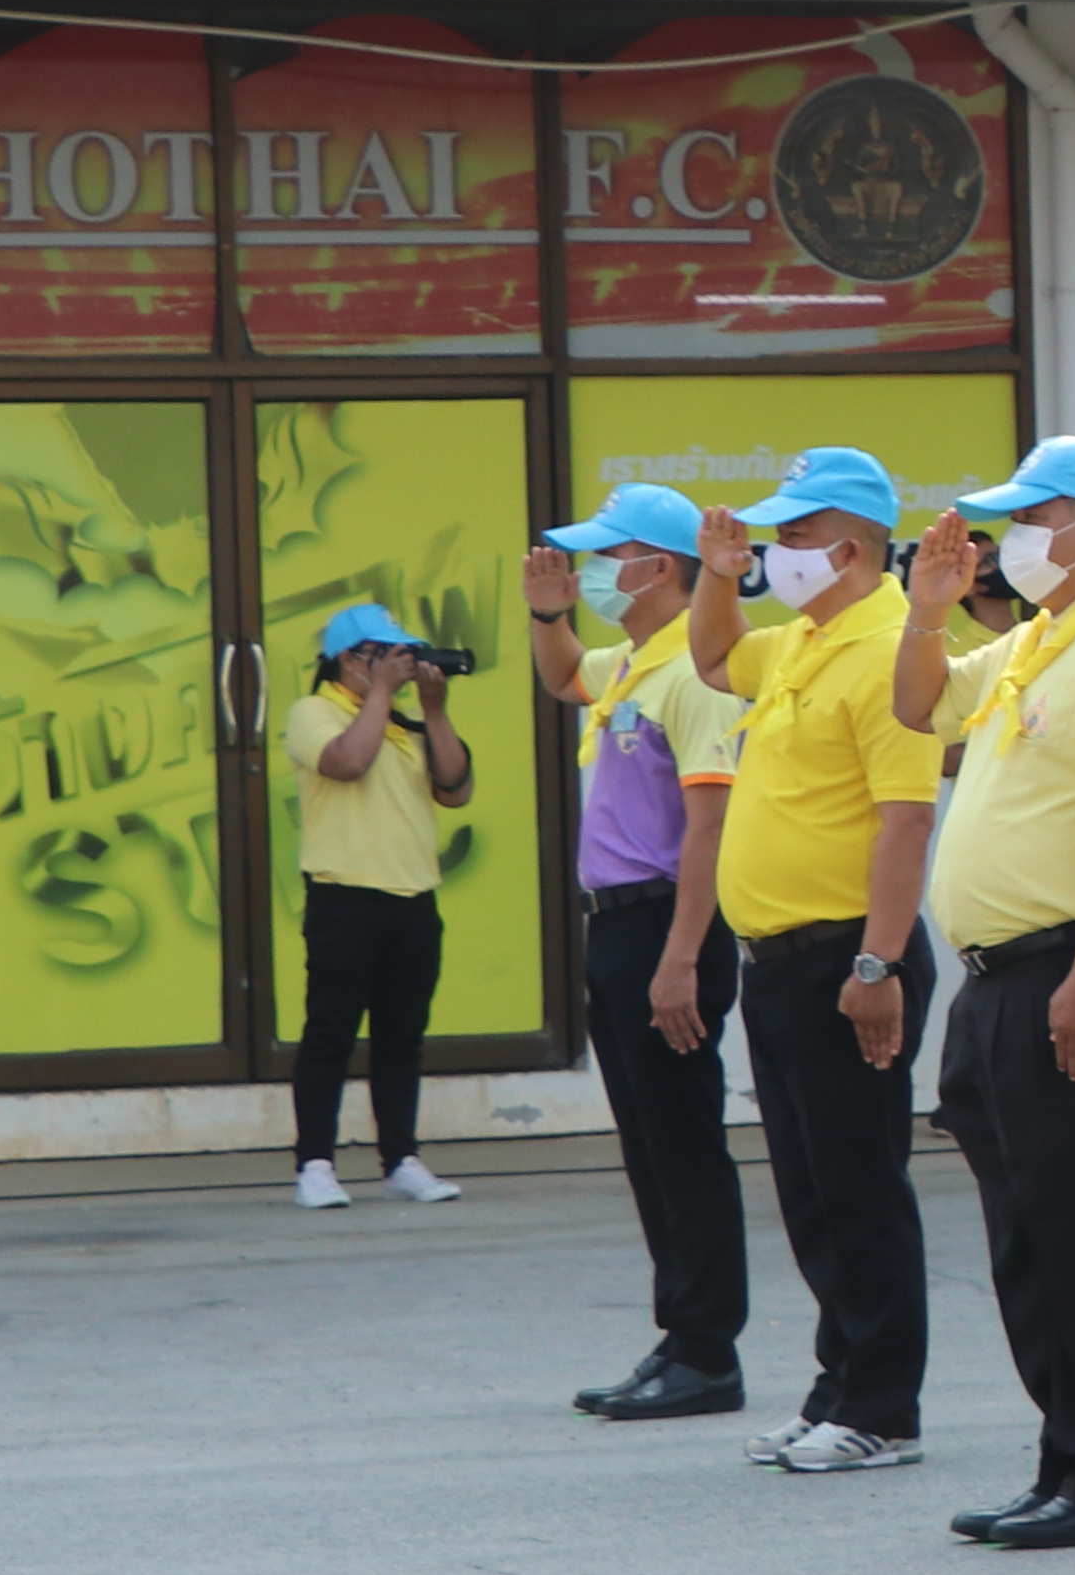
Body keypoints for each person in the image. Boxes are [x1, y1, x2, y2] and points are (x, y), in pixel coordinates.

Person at [896, 434, 1075, 1554]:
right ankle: (1067, 1458)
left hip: (1070, 970)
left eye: (1035, 516)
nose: (1011, 538)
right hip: (999, 977)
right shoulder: (1042, 639)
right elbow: (923, 707)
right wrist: (925, 610)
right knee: (1026, 1235)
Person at [683, 448, 943, 1476]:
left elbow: (907, 822)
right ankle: (839, 1382)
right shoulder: (802, 638)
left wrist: (877, 965)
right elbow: (712, 659)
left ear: (849, 547)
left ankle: (884, 1404)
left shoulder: (893, 654)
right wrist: (714, 569)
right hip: (780, 960)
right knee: (809, 1185)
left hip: (848, 955)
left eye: (792, 536)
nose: (775, 552)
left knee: (859, 1183)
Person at [528, 483, 753, 1422]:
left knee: (684, 1142)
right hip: (617, 924)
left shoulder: (695, 675)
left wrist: (681, 958)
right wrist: (548, 616)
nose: (595, 574)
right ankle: (679, 1336)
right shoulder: (634, 661)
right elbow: (564, 676)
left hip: (669, 923)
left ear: (658, 567)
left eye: (607, 558)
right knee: (649, 1144)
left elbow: (709, 826)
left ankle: (707, 1350)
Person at [281, 601, 474, 1212]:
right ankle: (314, 1163)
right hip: (344, 896)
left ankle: (402, 1159)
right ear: (349, 660)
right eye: (385, 655)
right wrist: (382, 696)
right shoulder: (315, 711)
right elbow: (347, 762)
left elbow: (457, 788)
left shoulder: (406, 721)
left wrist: (436, 711)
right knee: (330, 1034)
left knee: (402, 1039)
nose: (400, 665)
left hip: (413, 898)